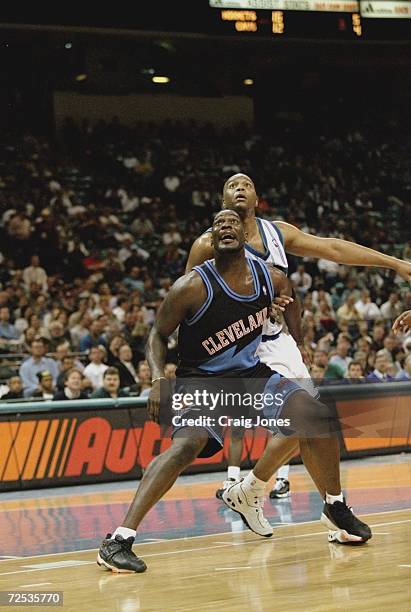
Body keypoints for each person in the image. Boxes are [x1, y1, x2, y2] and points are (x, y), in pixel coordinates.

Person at [97, 210, 371, 574]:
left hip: (248, 376)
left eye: (232, 224)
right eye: (218, 225)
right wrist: (158, 381)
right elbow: (157, 335)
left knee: (316, 415)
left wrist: (294, 333)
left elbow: (289, 296)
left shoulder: (269, 277)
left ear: (245, 233)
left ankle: (335, 506)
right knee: (187, 446)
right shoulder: (192, 286)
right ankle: (119, 540)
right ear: (211, 239)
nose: (226, 227)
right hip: (201, 380)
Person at [185, 173, 411, 520]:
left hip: (278, 342)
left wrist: (394, 263)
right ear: (222, 202)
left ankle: (331, 508)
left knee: (312, 425)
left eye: (246, 184)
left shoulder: (277, 232)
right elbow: (189, 304)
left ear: (257, 198)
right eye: (232, 185)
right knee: (306, 417)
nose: (240, 188)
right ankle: (259, 489)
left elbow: (333, 248)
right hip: (240, 347)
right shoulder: (206, 245)